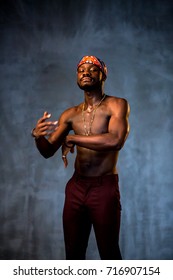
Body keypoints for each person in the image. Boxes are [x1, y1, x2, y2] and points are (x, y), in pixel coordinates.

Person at [31, 55, 130, 260]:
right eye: (81, 70)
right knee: (73, 254)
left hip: (104, 188)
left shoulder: (117, 105)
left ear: (103, 74)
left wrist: (73, 138)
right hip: (76, 187)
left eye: (92, 69)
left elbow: (115, 140)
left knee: (109, 253)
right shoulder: (71, 114)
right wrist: (38, 137)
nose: (85, 72)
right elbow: (47, 151)